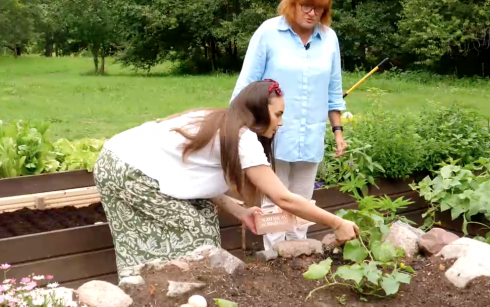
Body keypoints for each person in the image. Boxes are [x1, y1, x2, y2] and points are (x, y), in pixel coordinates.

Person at [94, 80, 359, 276]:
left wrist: (238, 210)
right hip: (125, 169)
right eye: (278, 114)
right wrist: (336, 222)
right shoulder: (243, 139)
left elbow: (186, 175)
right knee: (195, 237)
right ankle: (159, 293)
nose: (281, 122)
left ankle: (160, 290)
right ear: (258, 112)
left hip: (127, 163)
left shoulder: (226, 124)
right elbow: (283, 198)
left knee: (204, 218)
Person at [231, 0, 347, 251]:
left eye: (319, 8)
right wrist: (237, 127)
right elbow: (246, 85)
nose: (312, 13)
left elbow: (334, 90)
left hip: (311, 134)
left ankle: (300, 250)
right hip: (272, 133)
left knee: (304, 197)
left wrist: (338, 132)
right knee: (275, 197)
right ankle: (275, 254)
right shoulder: (268, 33)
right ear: (292, 4)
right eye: (306, 6)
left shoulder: (329, 39)